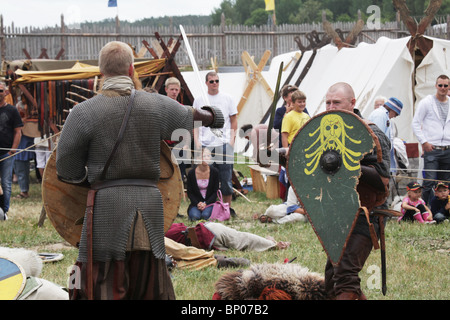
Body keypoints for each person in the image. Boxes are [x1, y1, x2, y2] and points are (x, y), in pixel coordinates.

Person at [56, 41, 223, 300]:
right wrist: (214, 115)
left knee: (103, 279)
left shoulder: (83, 112)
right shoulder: (155, 105)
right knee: (149, 282)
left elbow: (66, 168)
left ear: (101, 73)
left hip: (105, 205)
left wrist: (84, 181)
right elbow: (198, 118)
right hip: (148, 203)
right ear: (132, 69)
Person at [322, 82, 391, 300]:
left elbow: (382, 181)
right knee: (333, 278)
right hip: (337, 212)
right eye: (328, 103)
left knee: (345, 273)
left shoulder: (371, 133)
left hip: (366, 212)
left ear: (352, 103)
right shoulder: (325, 132)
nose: (331, 108)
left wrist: (347, 164)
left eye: (337, 102)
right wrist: (281, 156)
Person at [193, 72, 238, 210]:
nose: (214, 83)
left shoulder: (228, 99)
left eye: (217, 81)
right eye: (211, 81)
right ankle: (209, 208)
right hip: (206, 145)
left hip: (224, 144)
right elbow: (195, 122)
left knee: (226, 179)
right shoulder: (200, 100)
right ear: (206, 83)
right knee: (207, 180)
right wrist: (197, 142)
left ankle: (227, 209)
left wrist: (231, 141)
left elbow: (234, 120)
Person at [412, 74, 450, 204]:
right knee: (429, 181)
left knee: (446, 184)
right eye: (440, 85)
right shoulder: (427, 102)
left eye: (445, 85)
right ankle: (425, 210)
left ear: (449, 87)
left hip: (447, 149)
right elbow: (415, 123)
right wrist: (424, 142)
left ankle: (443, 211)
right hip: (432, 148)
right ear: (436, 86)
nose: (443, 88)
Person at [166, 221, 290, 252]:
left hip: (209, 232)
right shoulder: (165, 229)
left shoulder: (164, 231)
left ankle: (273, 244)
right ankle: (269, 243)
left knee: (241, 240)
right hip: (208, 234)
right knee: (240, 241)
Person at [0, 81, 23, 218]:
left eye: (0, 90)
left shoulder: (12, 110)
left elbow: (18, 132)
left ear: (5, 93)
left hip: (6, 153)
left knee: (6, 183)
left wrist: (12, 150)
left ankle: (4, 211)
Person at [368, 97, 403, 174]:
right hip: (378, 159)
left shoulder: (384, 115)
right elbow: (378, 139)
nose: (395, 116)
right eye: (396, 114)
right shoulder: (380, 115)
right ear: (392, 109)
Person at [186, 147, 219, 221]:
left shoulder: (215, 172)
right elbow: (190, 192)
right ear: (198, 158)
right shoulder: (191, 173)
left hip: (210, 203)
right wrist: (197, 203)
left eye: (208, 156)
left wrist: (206, 203)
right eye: (204, 156)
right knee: (195, 216)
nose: (207, 158)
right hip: (196, 204)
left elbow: (215, 192)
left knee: (205, 215)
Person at [14, 95, 35, 199]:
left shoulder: (24, 120)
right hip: (18, 145)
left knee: (21, 169)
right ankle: (23, 190)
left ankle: (24, 191)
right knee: (19, 169)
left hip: (23, 144)